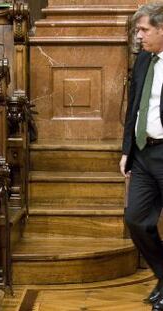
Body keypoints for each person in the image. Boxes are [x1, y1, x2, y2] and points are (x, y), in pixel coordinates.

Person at [120, 3, 163, 311]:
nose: (138, 36)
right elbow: (134, 105)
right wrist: (127, 151)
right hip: (143, 153)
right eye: (137, 30)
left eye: (144, 30)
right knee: (135, 219)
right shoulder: (144, 60)